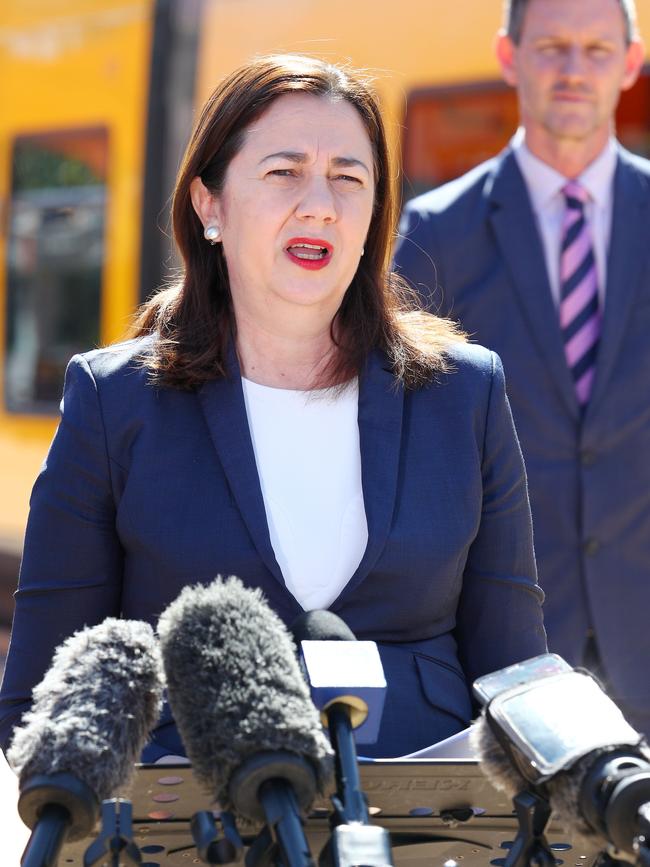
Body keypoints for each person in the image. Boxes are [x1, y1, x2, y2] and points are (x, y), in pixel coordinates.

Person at [0, 55, 545, 762]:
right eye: (284, 172)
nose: (320, 202)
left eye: (349, 178)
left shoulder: (467, 394)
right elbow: (45, 697)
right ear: (210, 204)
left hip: (430, 835)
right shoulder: (114, 402)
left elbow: (517, 679)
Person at [394, 0, 649, 735]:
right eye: (553, 47)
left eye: (598, 50)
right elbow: (407, 449)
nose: (575, 70)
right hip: (507, 656)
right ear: (509, 55)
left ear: (630, 65)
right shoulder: (438, 231)